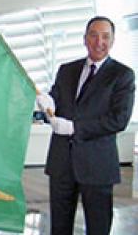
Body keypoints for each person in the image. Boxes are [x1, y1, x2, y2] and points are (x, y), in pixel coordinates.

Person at [37, 16, 135, 235]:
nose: (99, 41)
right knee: (59, 228)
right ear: (84, 39)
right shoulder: (66, 70)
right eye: (93, 35)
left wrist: (74, 128)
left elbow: (118, 119)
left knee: (98, 228)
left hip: (97, 165)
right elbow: (55, 102)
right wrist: (47, 104)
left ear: (112, 41)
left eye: (105, 36)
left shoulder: (122, 75)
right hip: (62, 163)